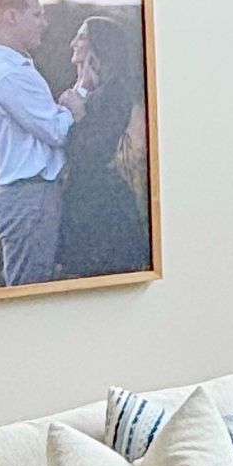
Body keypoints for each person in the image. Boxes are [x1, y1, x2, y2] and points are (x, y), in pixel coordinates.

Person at [0, 0, 83, 286]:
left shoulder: (14, 68)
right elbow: (57, 131)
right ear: (11, 17)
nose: (43, 23)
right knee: (28, 295)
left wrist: (67, 104)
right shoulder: (9, 75)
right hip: (29, 199)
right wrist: (79, 96)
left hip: (31, 198)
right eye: (36, 15)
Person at [58, 15, 151, 279]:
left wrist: (77, 112)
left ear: (100, 44)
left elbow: (92, 152)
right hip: (86, 197)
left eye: (82, 36)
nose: (73, 42)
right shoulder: (93, 88)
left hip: (101, 204)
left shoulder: (115, 92)